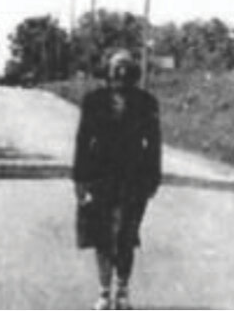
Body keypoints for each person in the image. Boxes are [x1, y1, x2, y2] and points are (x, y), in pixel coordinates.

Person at [72, 48, 162, 310]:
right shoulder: (94, 101)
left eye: (126, 70)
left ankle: (122, 291)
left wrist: (153, 178)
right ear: (108, 73)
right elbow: (83, 140)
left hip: (134, 177)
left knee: (126, 235)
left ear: (133, 74)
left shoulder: (146, 102)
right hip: (100, 176)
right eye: (116, 70)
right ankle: (104, 292)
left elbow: (154, 143)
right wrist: (79, 179)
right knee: (101, 235)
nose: (121, 75)